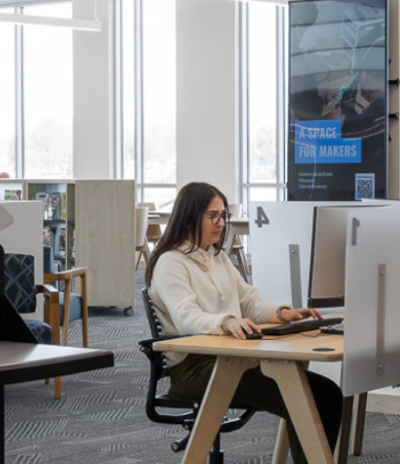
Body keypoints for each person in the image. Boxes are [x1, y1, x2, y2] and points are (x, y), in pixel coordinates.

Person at [145, 182, 341, 456]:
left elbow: (249, 301)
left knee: (326, 393)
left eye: (223, 215)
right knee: (313, 397)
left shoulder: (218, 258)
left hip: (232, 358)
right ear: (189, 216)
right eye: (213, 216)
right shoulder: (171, 262)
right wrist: (226, 322)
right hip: (196, 368)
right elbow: (186, 317)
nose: (221, 223)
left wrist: (282, 313)